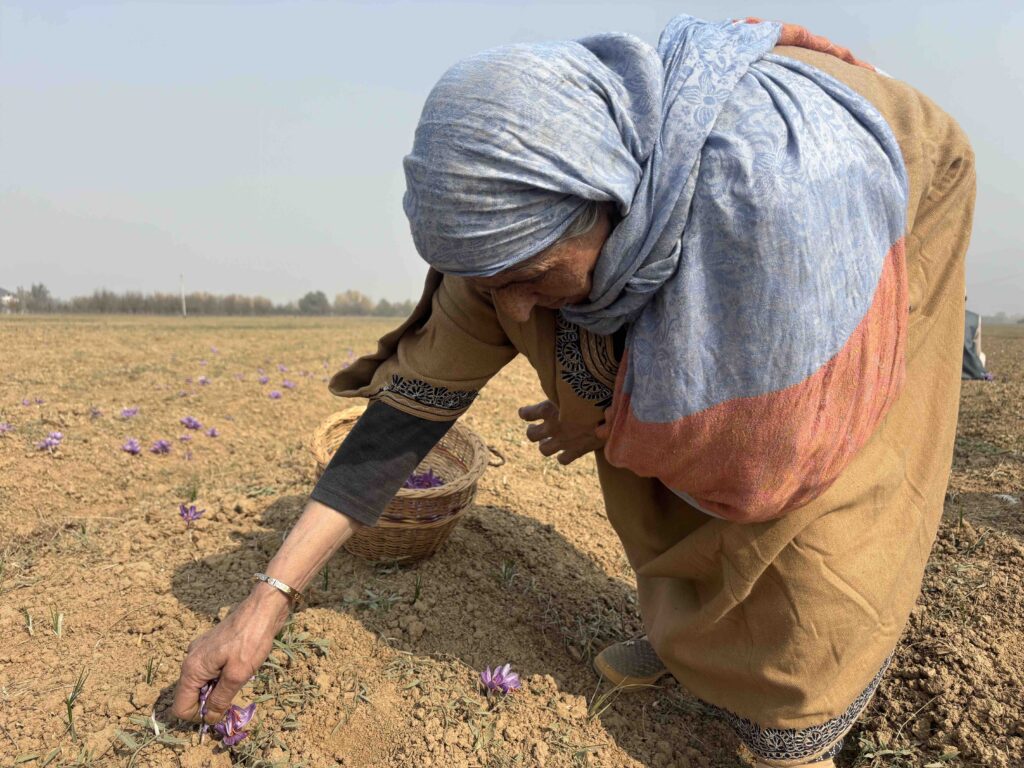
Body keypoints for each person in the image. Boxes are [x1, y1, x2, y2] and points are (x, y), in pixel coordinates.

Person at [171, 15, 975, 768]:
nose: (513, 310)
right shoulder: (506, 235)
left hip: (887, 202)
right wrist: (264, 604)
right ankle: (687, 638)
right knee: (634, 404)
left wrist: (609, 412)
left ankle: (800, 712)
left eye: (530, 277)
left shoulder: (767, 221)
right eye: (492, 285)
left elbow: (782, 445)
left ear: (612, 203)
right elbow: (407, 412)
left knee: (819, 500)